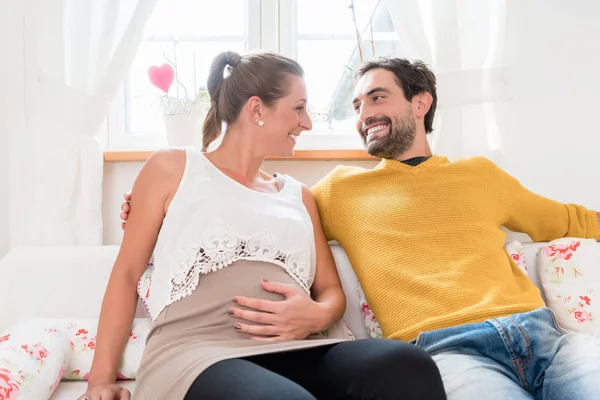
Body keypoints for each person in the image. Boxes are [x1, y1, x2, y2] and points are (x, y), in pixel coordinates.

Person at [120, 55, 600, 400]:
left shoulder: (482, 174)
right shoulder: (337, 193)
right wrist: (155, 207)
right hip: (448, 351)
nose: (364, 113)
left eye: (377, 97)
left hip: (544, 336)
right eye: (356, 105)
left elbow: (571, 220)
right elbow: (252, 213)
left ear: (420, 103)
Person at [82, 51, 446, 400]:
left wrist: (316, 314)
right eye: (299, 108)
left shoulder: (299, 196)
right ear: (257, 109)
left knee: (407, 364)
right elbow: (127, 275)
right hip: (199, 352)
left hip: (301, 347)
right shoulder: (173, 168)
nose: (308, 123)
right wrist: (100, 379)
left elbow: (332, 292)